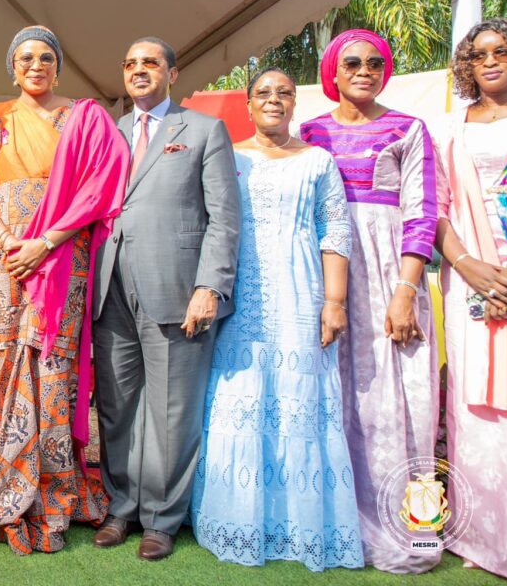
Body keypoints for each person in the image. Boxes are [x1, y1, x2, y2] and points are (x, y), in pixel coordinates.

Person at [0, 26, 128, 554]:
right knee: (3, 370)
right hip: (2, 258)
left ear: (59, 66)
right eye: (26, 58)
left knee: (54, 371)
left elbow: (103, 185)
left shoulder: (84, 117)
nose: (36, 65)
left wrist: (48, 241)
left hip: (64, 257)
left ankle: (56, 497)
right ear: (12, 66)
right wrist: (12, 240)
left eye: (47, 58)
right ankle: (3, 493)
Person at [191, 67, 363, 572]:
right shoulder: (229, 157)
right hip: (238, 289)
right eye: (263, 93)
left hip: (299, 288)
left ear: (295, 103)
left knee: (298, 397)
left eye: (283, 93)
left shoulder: (318, 162)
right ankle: (236, 518)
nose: (273, 100)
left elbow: (335, 231)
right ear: (247, 105)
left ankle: (299, 523)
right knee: (238, 392)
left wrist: (334, 301)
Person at [92, 36, 240, 561]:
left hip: (178, 290)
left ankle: (161, 517)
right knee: (116, 407)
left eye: (150, 63)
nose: (138, 71)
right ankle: (121, 507)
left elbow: (224, 217)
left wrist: (210, 285)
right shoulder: (111, 133)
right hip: (109, 286)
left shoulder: (203, 130)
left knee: (172, 410)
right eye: (130, 63)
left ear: (172, 73)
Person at [300, 29, 440, 574]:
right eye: (352, 62)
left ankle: (420, 533)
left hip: (389, 275)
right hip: (325, 269)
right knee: (334, 393)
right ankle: (336, 521)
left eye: (375, 62)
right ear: (332, 72)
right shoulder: (310, 133)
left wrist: (406, 292)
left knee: (404, 398)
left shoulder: (409, 129)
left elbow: (422, 211)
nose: (364, 70)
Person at [434, 19, 507, 580]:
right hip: (469, 276)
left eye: (502, 51)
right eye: (479, 54)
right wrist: (470, 267)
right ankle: (482, 538)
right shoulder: (449, 128)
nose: (489, 61)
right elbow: (434, 206)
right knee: (473, 408)